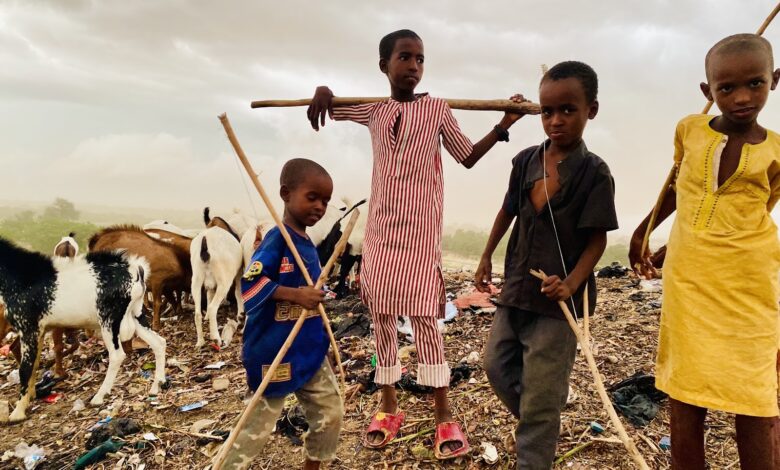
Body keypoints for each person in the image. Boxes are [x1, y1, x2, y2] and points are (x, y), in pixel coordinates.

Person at [306, 28, 528, 459]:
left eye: (420, 59)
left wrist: (503, 124)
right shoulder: (374, 110)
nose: (413, 66)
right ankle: (388, 404)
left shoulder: (437, 110)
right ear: (384, 65)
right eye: (404, 57)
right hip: (381, 235)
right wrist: (324, 91)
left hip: (421, 235)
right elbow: (332, 106)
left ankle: (443, 413)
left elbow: (465, 155)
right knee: (383, 318)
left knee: (427, 320)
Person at [629, 34, 780, 470]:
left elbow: (762, 206)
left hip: (749, 285)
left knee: (754, 394)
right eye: (726, 88)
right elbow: (681, 187)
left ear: (774, 81)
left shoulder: (776, 150)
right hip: (690, 282)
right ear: (707, 91)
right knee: (686, 392)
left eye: (755, 83)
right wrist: (644, 232)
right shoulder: (690, 129)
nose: (742, 97)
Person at [477, 61, 618, 469]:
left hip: (559, 306)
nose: (556, 121)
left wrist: (572, 283)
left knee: (540, 404)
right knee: (496, 366)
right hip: (519, 288)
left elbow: (597, 239)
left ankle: (535, 447)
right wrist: (487, 255)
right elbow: (508, 211)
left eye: (568, 110)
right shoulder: (526, 160)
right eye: (547, 112)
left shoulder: (595, 173)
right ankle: (542, 420)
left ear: (591, 109)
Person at [220, 158, 343, 470]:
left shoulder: (308, 245)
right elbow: (251, 284)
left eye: (325, 201)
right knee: (254, 430)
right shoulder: (277, 239)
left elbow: (312, 297)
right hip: (274, 353)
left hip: (309, 350)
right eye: (312, 197)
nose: (319, 206)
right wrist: (296, 295)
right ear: (286, 193)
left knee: (331, 415)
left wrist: (323, 329)